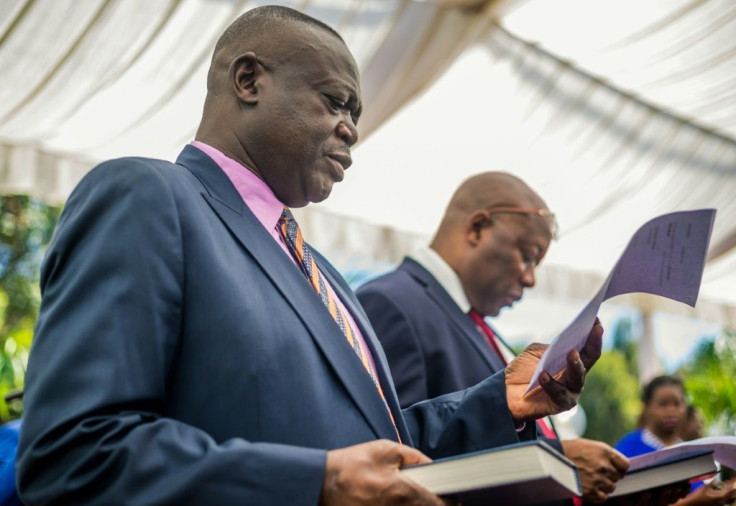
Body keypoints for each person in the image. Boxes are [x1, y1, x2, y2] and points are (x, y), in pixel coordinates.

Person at [16, 6, 603, 505]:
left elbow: (383, 442)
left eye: (357, 115)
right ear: (248, 80)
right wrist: (312, 484)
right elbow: (73, 449)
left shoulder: (325, 276)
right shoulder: (147, 197)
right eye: (336, 101)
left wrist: (499, 400)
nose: (351, 130)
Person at [355, 172, 678, 504]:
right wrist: (554, 463)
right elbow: (390, 454)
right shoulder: (392, 301)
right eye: (527, 256)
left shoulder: (480, 329)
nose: (531, 279)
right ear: (477, 228)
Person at [615, 376, 736, 506]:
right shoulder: (627, 448)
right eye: (663, 404)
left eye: (677, 403)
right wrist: (693, 503)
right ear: (647, 407)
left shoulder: (693, 450)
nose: (671, 410)